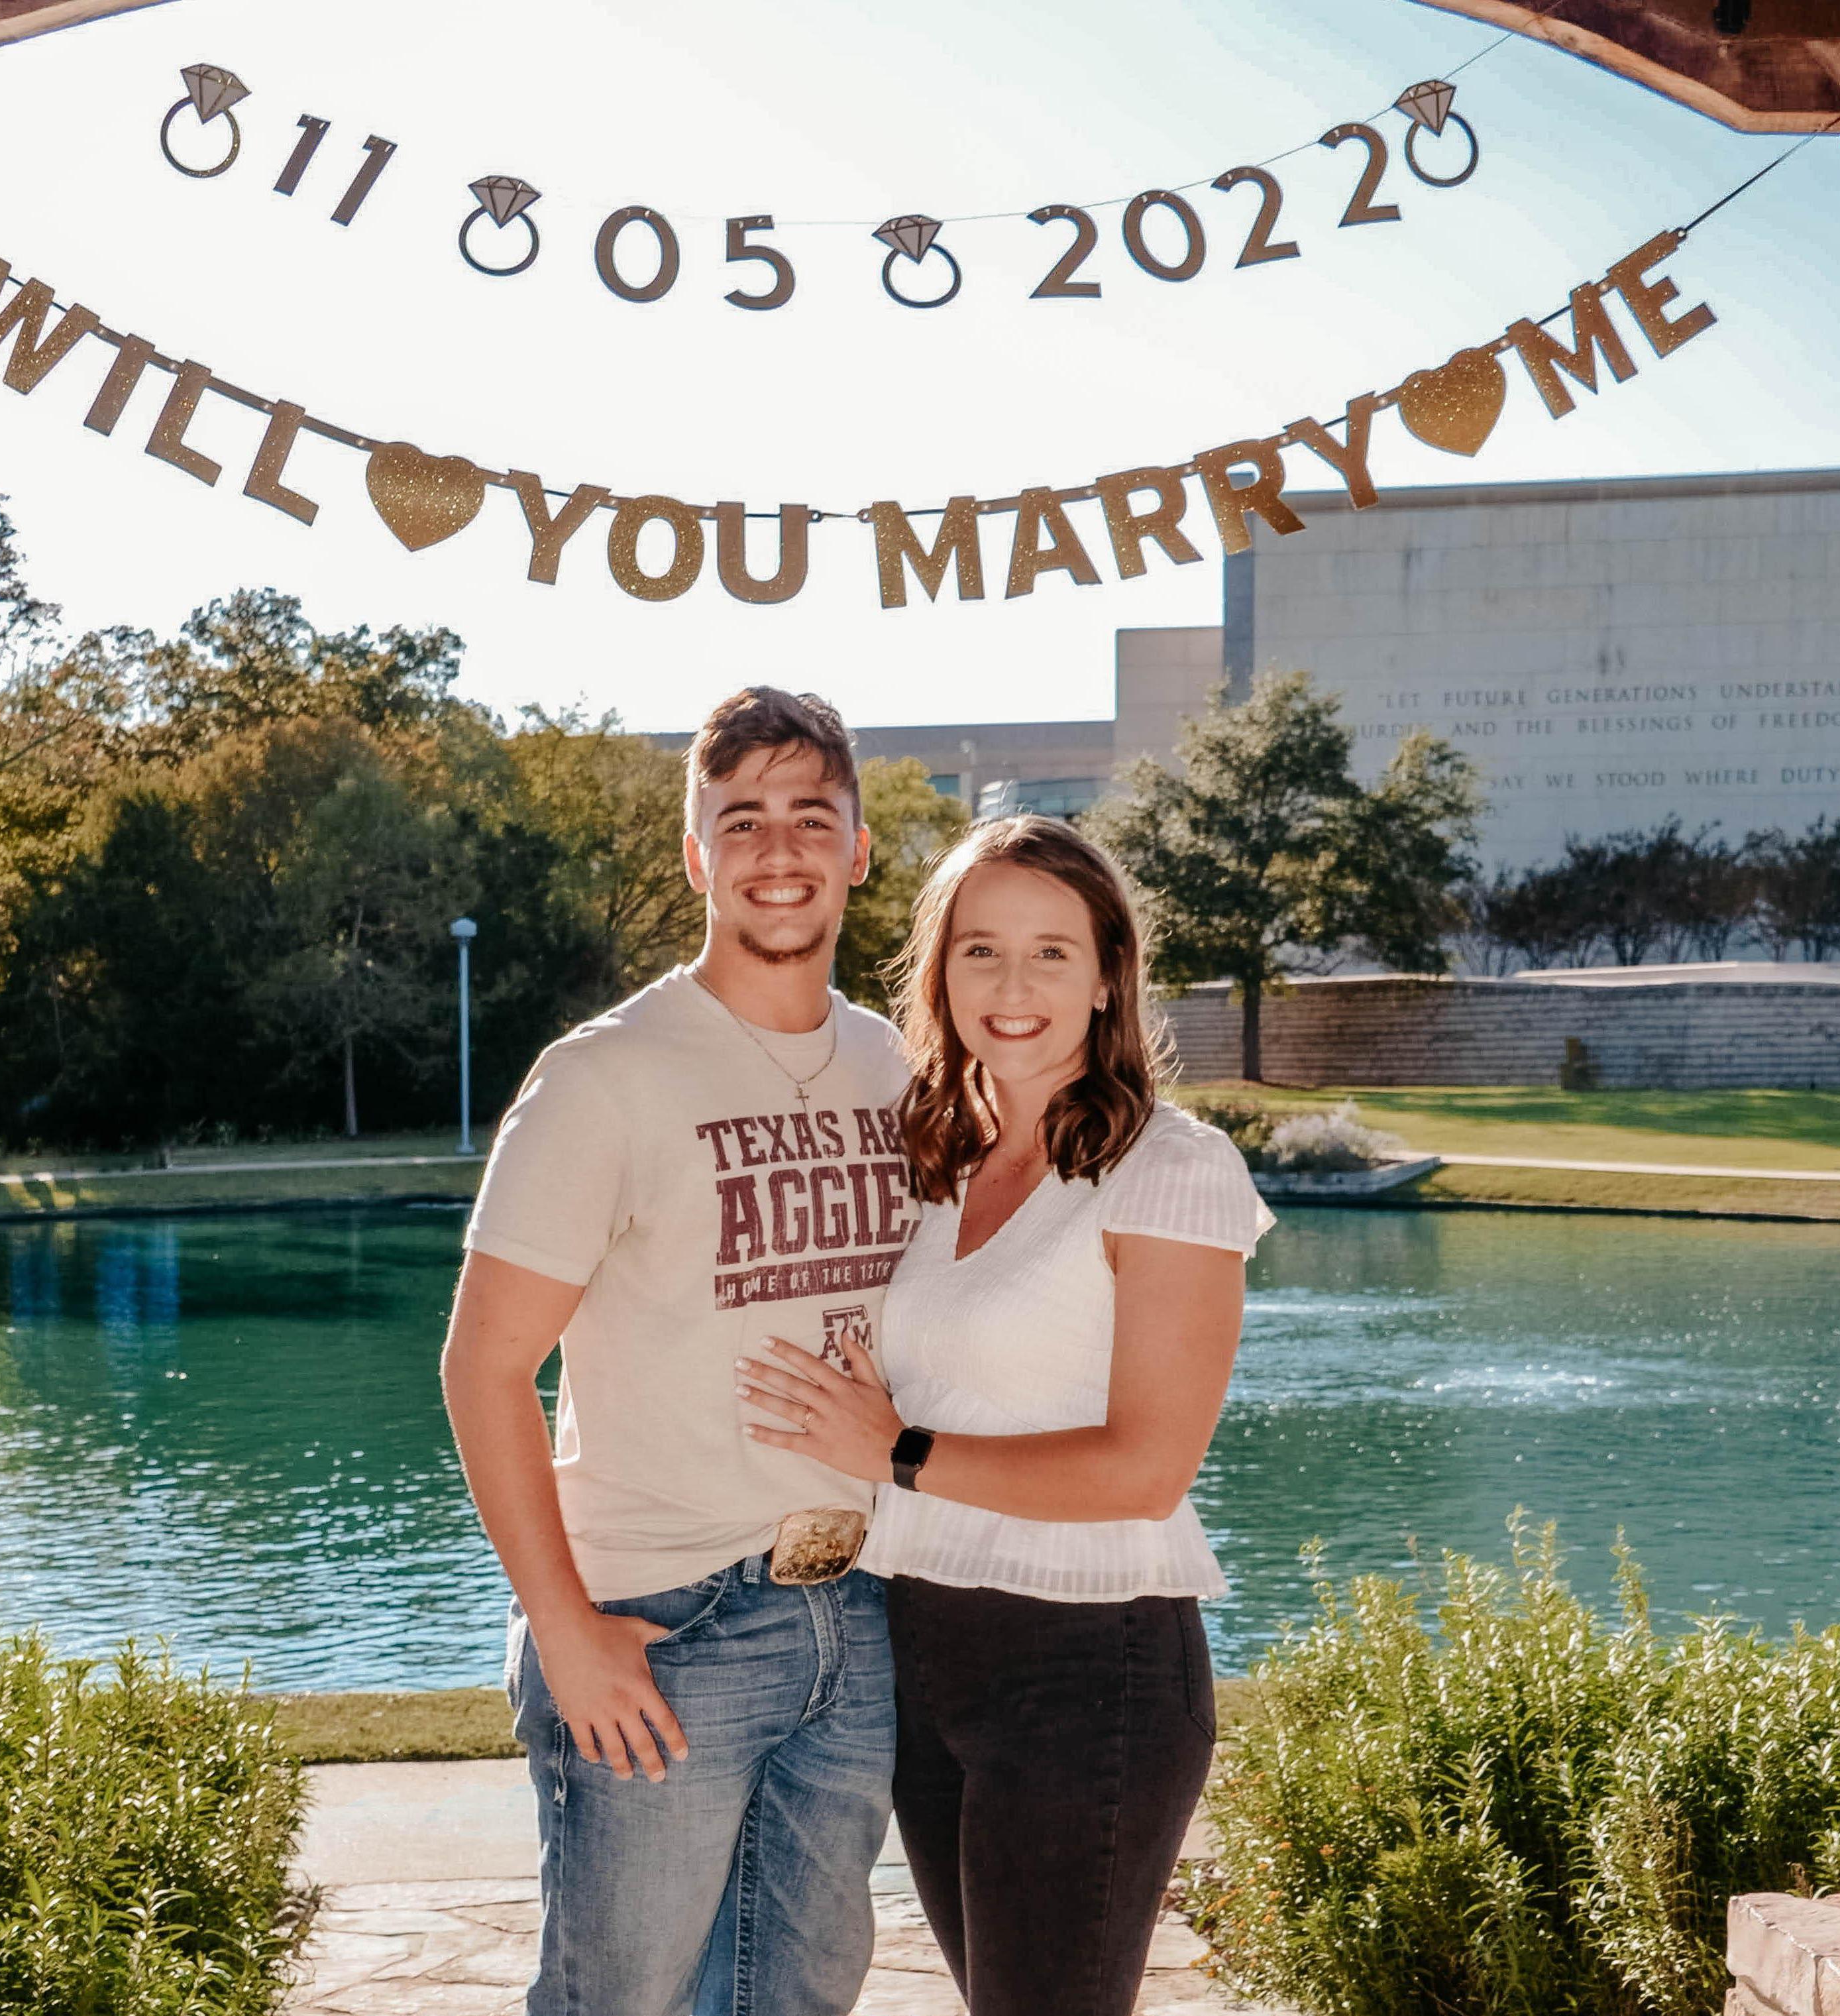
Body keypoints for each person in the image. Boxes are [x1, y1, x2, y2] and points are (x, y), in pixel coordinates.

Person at [735, 814, 1272, 2016]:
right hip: (921, 1654)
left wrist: (897, 1453)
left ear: (1105, 977)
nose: (1012, 985)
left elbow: (1145, 1469)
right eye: (980, 950)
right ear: (939, 972)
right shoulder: (938, 1161)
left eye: (1049, 952)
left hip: (1090, 1667)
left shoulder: (1172, 1170)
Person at [441, 687, 914, 2016]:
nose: (779, 851)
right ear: (697, 855)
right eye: (742, 820)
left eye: (811, 817)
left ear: (859, 848)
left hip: (858, 1616)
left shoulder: (894, 1067)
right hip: (665, 1626)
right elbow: (485, 1370)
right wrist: (566, 1630)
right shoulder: (608, 1075)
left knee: (800, 2002)